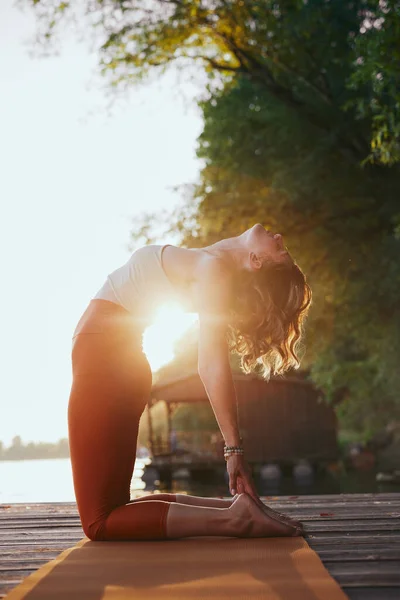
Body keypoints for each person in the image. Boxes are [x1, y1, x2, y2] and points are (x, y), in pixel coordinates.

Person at [68, 224, 312, 541]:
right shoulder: (210, 262)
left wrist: (233, 448)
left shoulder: (213, 272)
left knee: (99, 522)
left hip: (105, 366)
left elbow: (211, 364)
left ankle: (236, 521)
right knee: (115, 507)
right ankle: (238, 512)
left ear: (255, 261)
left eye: (280, 250)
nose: (280, 237)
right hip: (113, 366)